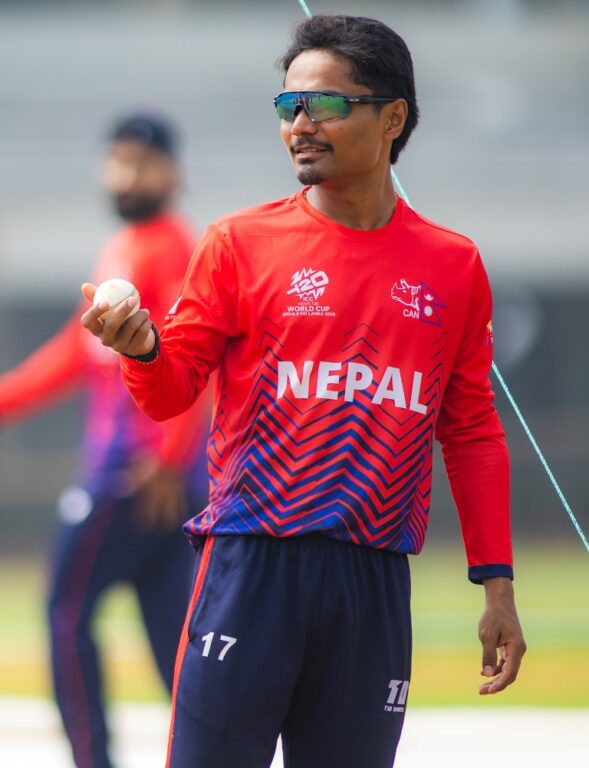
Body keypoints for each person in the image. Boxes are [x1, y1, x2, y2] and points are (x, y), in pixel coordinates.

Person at [81, 16, 526, 768]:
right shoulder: (236, 243)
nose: (300, 126)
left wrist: (497, 586)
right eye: (288, 107)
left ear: (392, 118)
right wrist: (142, 350)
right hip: (249, 566)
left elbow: (472, 432)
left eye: (323, 105)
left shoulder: (453, 265)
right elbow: (168, 391)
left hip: (372, 581)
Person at [0, 112, 210, 768]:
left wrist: (167, 460)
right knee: (173, 640)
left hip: (134, 473)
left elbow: (190, 357)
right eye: (117, 161)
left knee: (65, 609)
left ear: (172, 173)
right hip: (150, 476)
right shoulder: (124, 247)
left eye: (141, 162)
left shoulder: (171, 247)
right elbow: (77, 351)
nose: (126, 175)